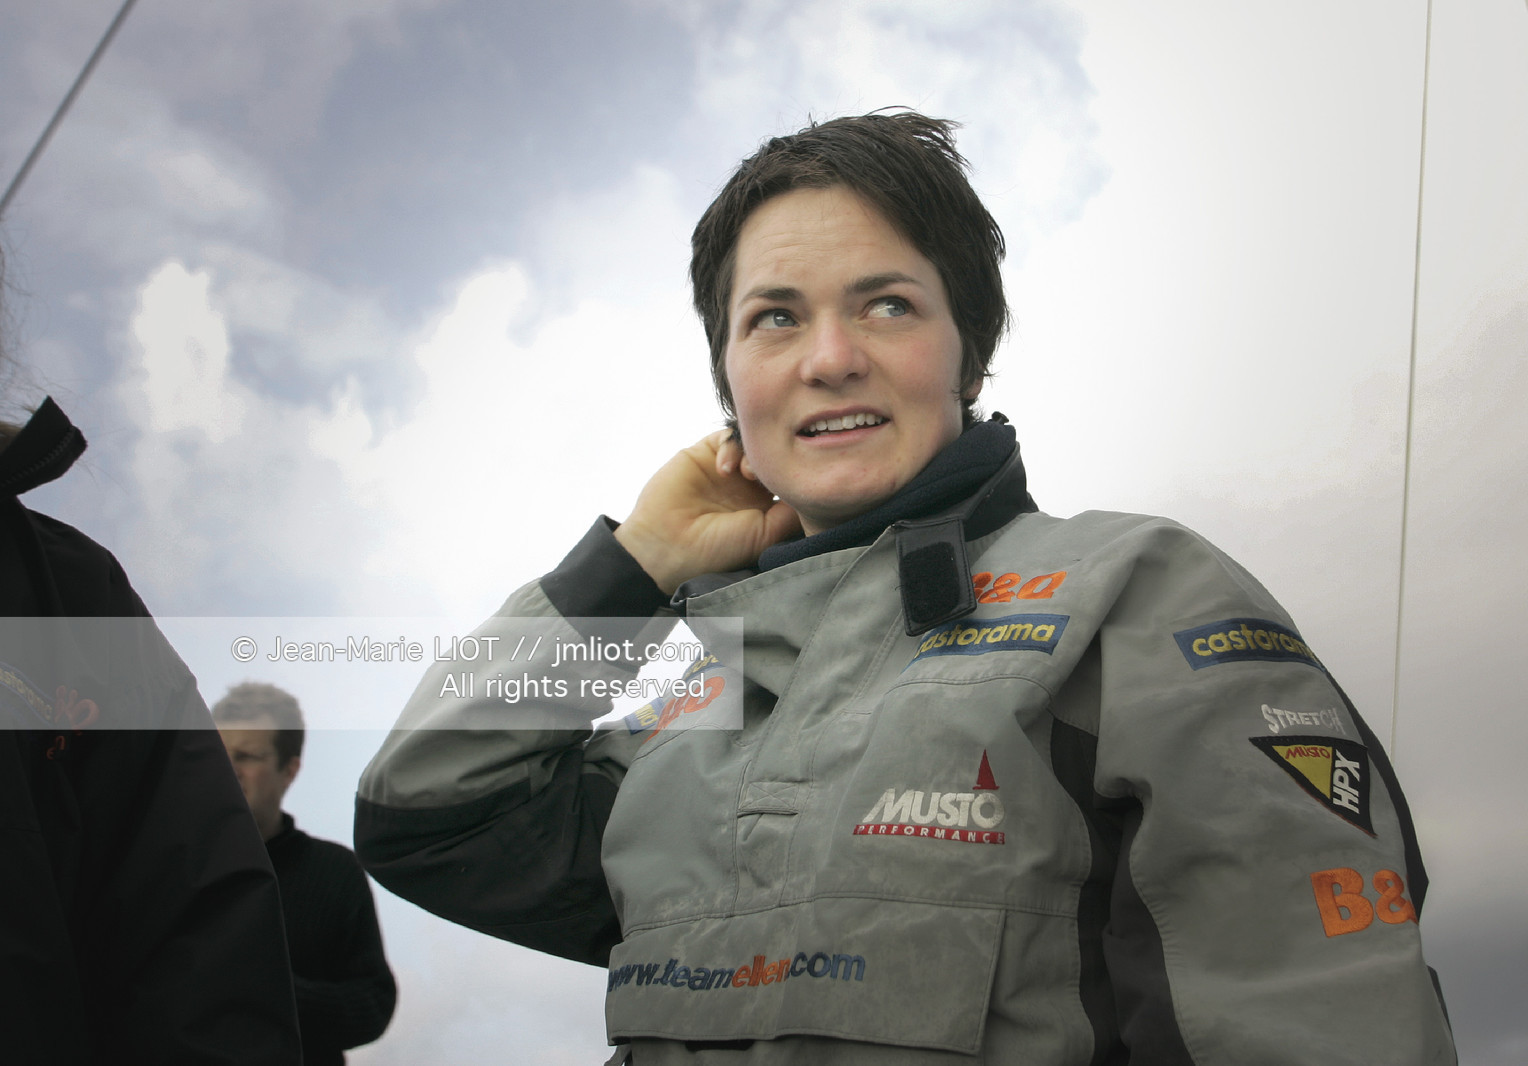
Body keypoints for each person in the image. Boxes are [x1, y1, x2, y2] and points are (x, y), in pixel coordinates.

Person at [355, 112, 1457, 1063]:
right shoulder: (707, 687)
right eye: (773, 317)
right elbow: (429, 816)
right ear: (730, 389)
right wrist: (631, 568)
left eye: (885, 304)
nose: (829, 356)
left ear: (968, 357)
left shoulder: (1138, 593)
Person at [1, 393, 303, 1061]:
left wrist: (300, 1001)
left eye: (252, 755)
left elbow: (205, 969)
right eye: (229, 752)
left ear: (291, 771)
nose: (237, 770)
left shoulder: (74, 592)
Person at [214, 682, 396, 1066]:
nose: (227, 771)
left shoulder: (334, 871)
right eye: (217, 754)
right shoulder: (166, 864)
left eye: (246, 756)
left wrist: (269, 991)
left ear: (289, 771)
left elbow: (373, 1004)